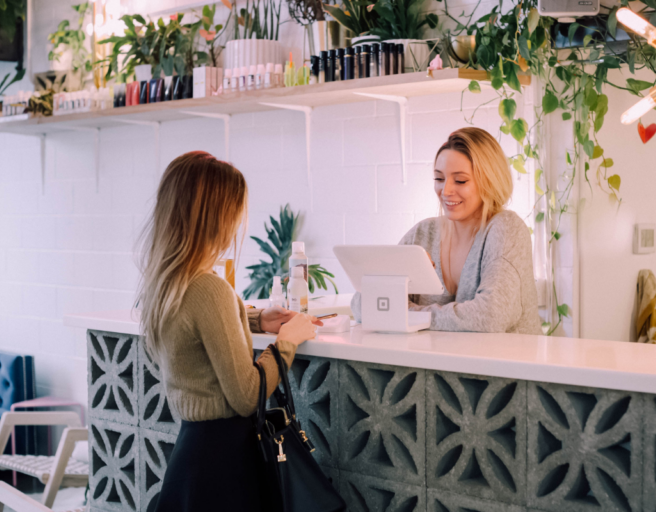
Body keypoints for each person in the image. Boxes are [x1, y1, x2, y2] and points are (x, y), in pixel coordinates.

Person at [135, 151, 322, 511]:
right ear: (216, 217)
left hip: (191, 455)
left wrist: (255, 321)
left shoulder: (167, 283)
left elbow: (197, 327)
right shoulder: (209, 289)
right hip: (223, 465)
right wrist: (286, 343)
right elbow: (247, 395)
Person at [352, 127, 542, 334]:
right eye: (439, 179)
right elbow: (362, 306)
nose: (446, 191)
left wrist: (410, 315)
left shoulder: (506, 229)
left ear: (490, 180)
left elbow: (490, 316)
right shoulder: (423, 234)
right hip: (439, 364)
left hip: (505, 364)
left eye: (460, 180)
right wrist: (399, 277)